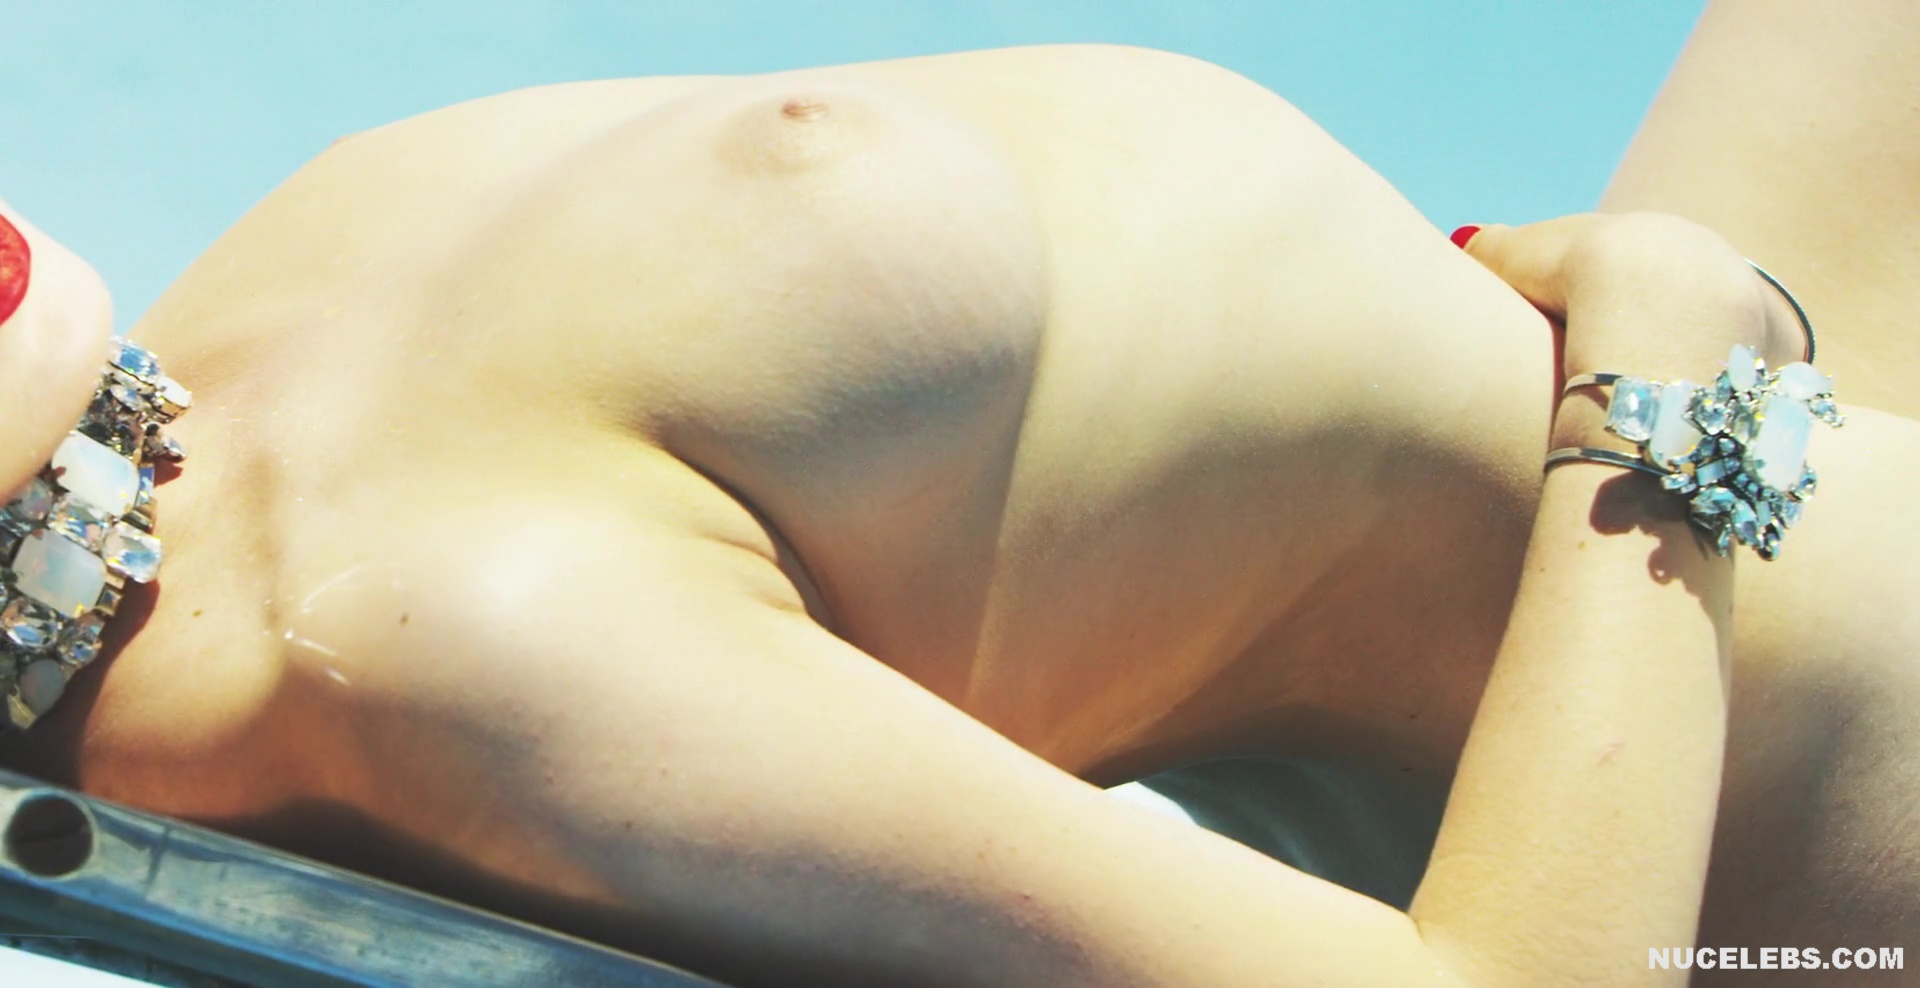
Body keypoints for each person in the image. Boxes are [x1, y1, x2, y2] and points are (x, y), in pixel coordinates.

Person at [0, 24, 1914, 988]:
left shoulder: (202, 384)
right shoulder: (413, 648)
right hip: (1806, 690)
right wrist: (1666, 381)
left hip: (1736, 444)